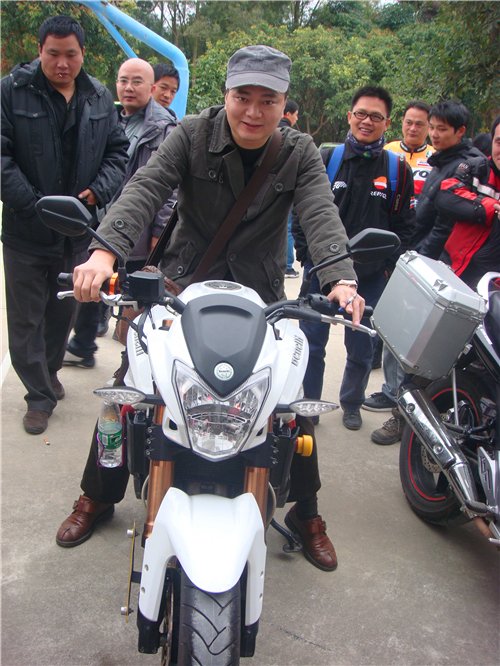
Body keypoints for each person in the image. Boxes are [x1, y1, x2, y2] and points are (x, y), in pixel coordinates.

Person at [55, 45, 366, 573]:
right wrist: (103, 252)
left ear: (284, 104)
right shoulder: (192, 133)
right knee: (132, 388)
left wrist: (341, 278)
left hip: (260, 296)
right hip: (182, 284)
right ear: (225, 95)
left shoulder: (299, 151)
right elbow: (145, 188)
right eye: (243, 96)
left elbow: (319, 211)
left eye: (268, 100)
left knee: (288, 402)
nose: (253, 111)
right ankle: (98, 495)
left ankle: (306, 513)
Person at [1, 15, 128, 434]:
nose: (62, 63)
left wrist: (96, 192)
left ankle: (50, 371)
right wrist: (36, 205)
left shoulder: (99, 96)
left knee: (62, 314)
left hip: (76, 231)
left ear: (83, 54)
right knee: (25, 321)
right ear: (39, 51)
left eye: (70, 54)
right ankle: (39, 397)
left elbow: (117, 153)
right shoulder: (11, 91)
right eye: (53, 53)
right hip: (25, 230)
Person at [293, 85, 415, 431]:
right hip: (320, 273)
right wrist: (306, 255)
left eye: (376, 116)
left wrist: (387, 267)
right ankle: (309, 407)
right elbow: (300, 212)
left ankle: (351, 404)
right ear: (350, 116)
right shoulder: (326, 158)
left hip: (371, 279)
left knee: (361, 350)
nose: (367, 121)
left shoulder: (397, 169)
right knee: (311, 345)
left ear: (387, 123)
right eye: (361, 113)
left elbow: (406, 226)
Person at [367, 100, 489, 446]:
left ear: (461, 132)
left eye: (440, 129)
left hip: (443, 270)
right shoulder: (443, 161)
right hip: (425, 261)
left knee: (423, 349)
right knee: (403, 338)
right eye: (430, 127)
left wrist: (420, 261)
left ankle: (407, 417)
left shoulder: (468, 166)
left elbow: (444, 224)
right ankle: (400, 404)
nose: (433, 134)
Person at [64, 58, 178, 366]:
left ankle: (132, 367)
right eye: (123, 80)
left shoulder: (164, 127)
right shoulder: (108, 119)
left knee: (137, 303)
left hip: (139, 231)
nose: (129, 87)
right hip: (102, 222)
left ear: (151, 88)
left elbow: (168, 189)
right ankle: (83, 344)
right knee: (96, 285)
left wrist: (159, 232)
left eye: (137, 81)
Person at [365, 100, 434, 444]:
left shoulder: (434, 158)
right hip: (393, 245)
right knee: (385, 318)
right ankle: (386, 384)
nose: (413, 128)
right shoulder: (389, 152)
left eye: (420, 124)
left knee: (407, 325)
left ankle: (398, 394)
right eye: (409, 122)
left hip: (421, 248)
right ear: (400, 123)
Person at [435, 115, 500, 288]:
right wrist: (491, 209)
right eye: (499, 142)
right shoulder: (477, 167)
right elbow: (445, 196)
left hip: (490, 286)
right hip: (450, 268)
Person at [278, 99, 300, 278]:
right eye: (296, 115)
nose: (297, 118)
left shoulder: (266, 131)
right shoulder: (294, 138)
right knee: (288, 227)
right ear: (288, 114)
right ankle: (287, 266)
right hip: (286, 189)